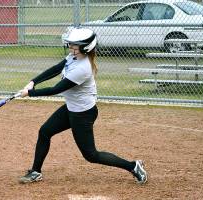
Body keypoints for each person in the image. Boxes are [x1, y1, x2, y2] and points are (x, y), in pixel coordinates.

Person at [18, 28, 148, 184]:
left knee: (91, 155)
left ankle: (133, 166)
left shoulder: (82, 68)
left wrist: (30, 93)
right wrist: (34, 82)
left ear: (85, 47)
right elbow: (56, 68)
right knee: (45, 132)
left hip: (83, 114)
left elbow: (56, 89)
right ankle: (36, 171)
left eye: (75, 45)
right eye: (71, 44)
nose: (71, 47)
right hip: (72, 108)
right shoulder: (74, 56)